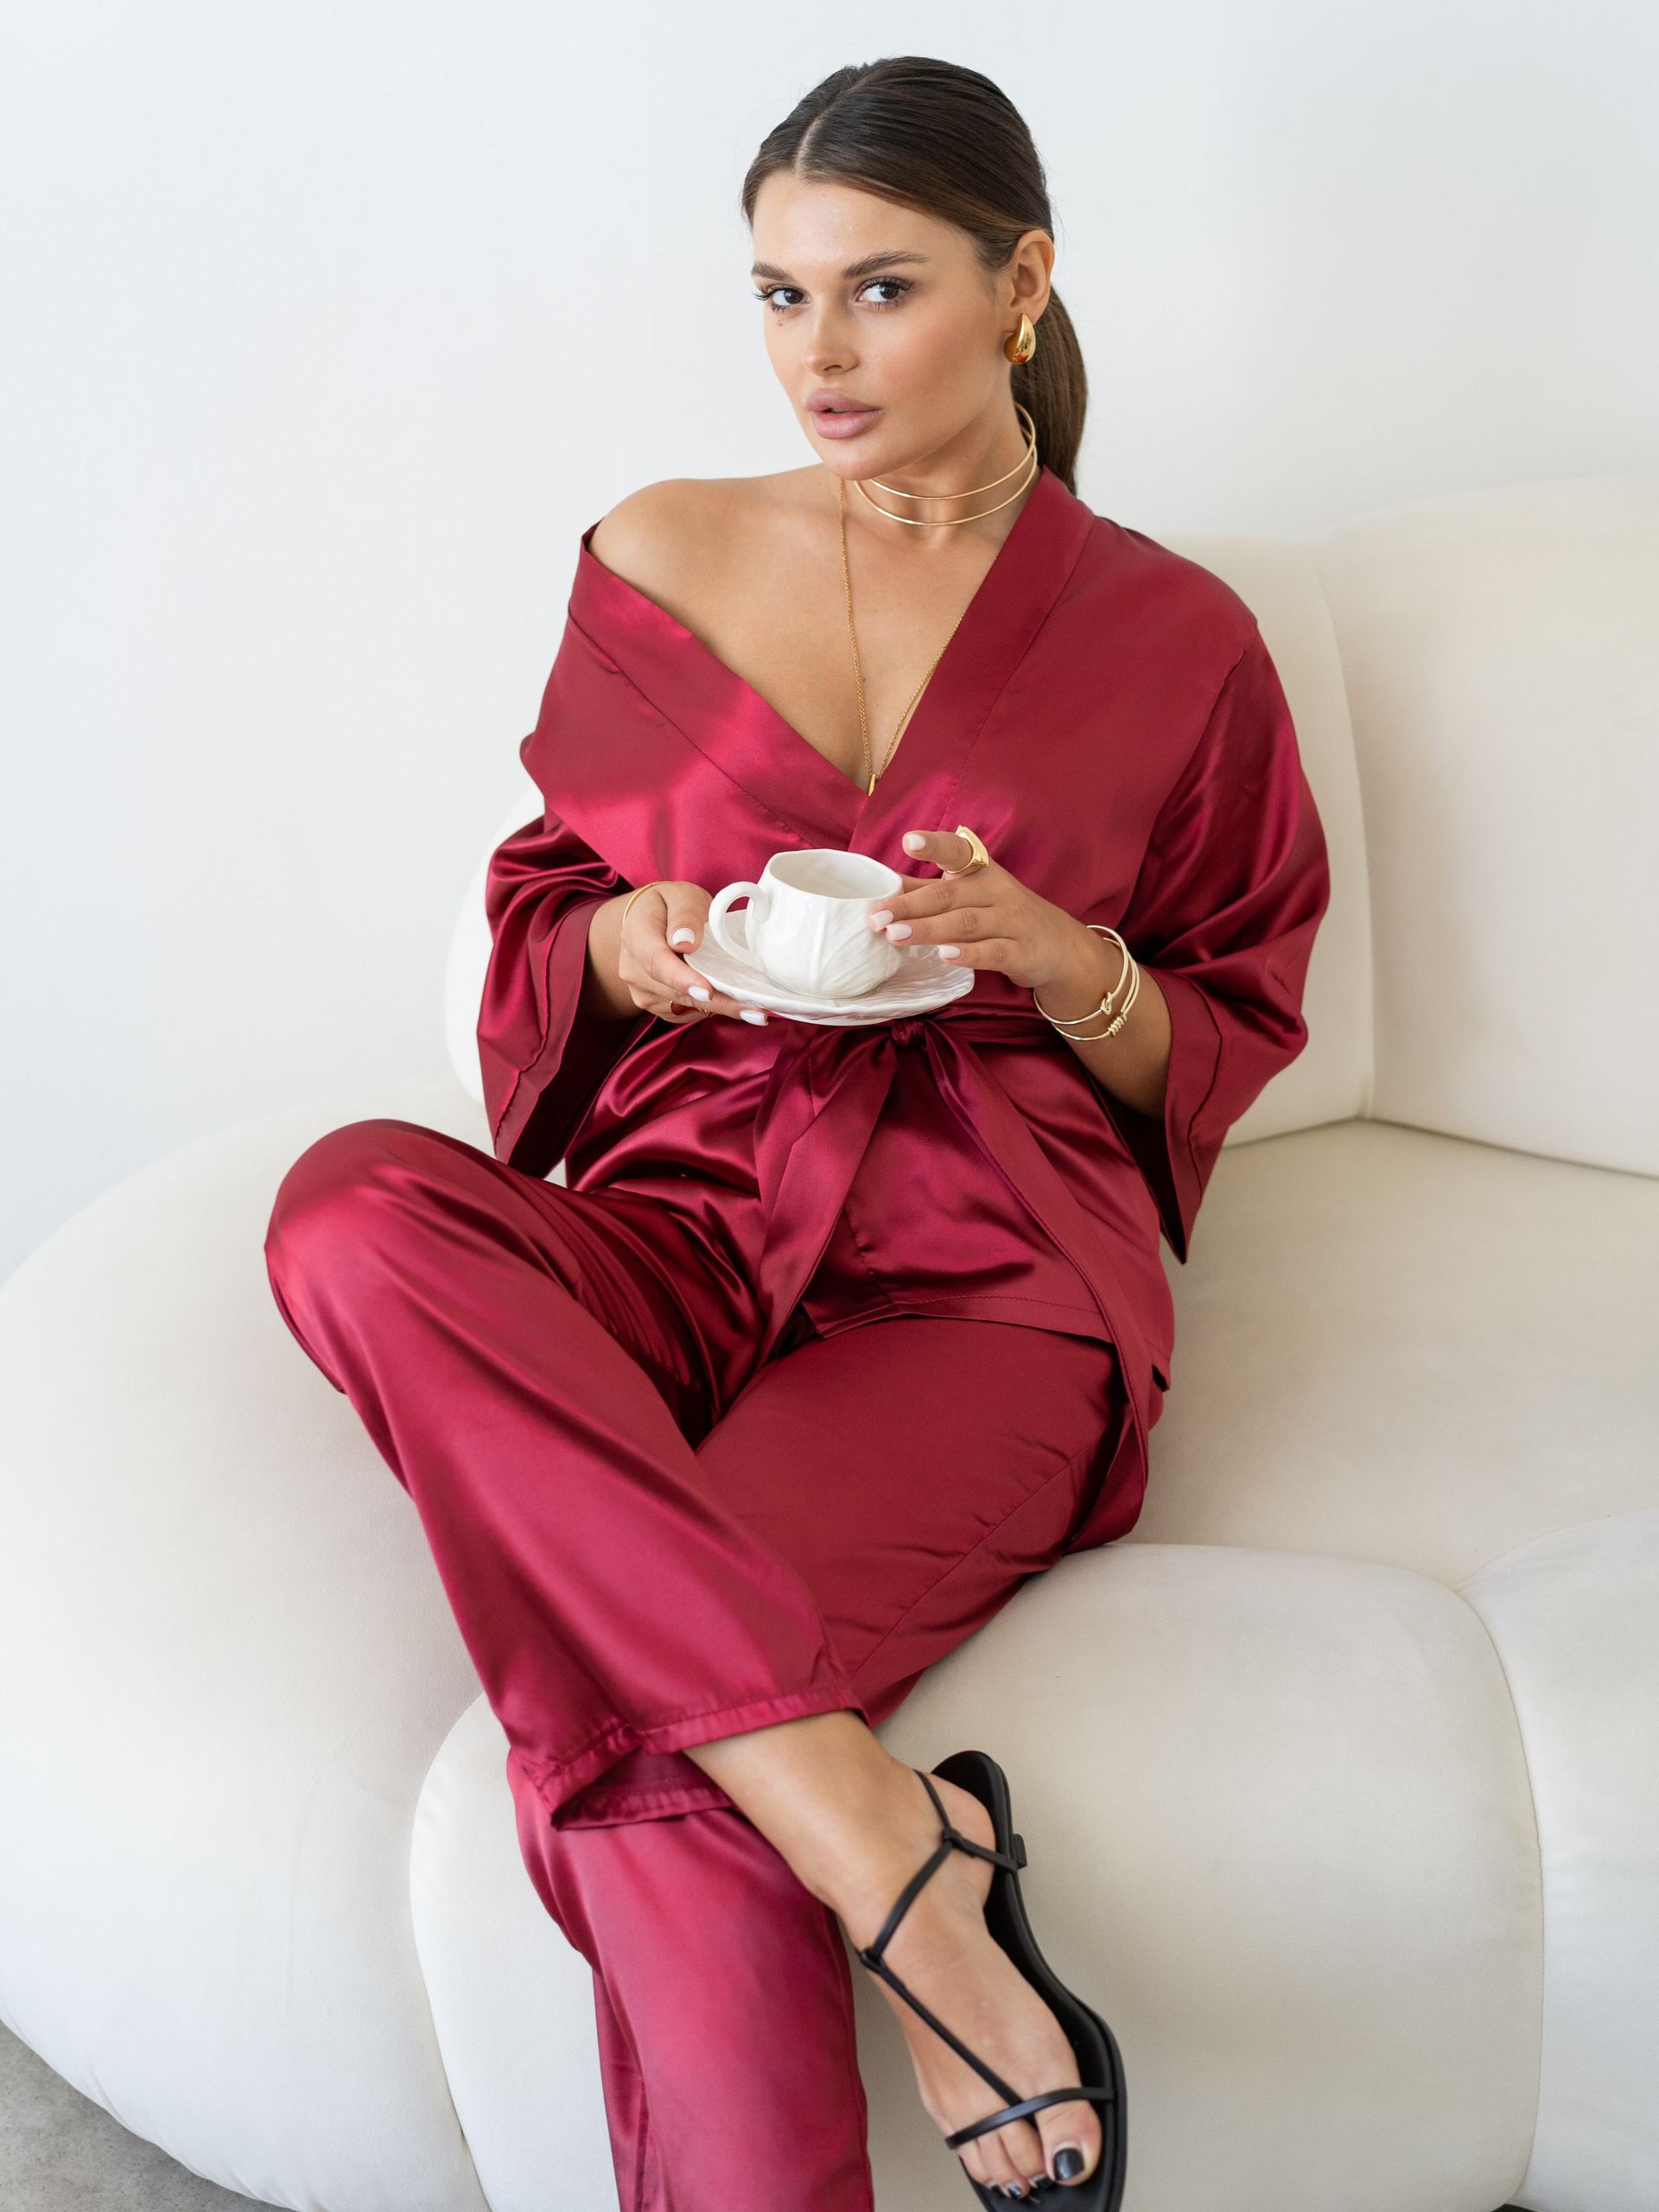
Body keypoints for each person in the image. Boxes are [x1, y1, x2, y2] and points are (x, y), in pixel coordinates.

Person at [265, 54, 1328, 2212]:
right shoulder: (660, 550)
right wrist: (629, 945)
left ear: (1023, 284)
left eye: (881, 289)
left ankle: (854, 1859)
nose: (817, 354)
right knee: (344, 1207)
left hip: (986, 1275)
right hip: (677, 1215)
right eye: (778, 294)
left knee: (666, 1767)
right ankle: (898, 1841)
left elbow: (1230, 1017)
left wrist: (1068, 962)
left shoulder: (1181, 639)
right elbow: (547, 897)